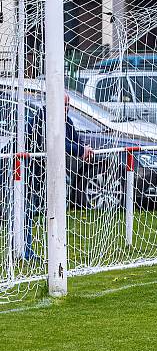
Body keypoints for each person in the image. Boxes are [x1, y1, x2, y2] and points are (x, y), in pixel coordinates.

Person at [22, 93, 93, 260]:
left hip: (42, 172)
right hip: (22, 167)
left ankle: (44, 249)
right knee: (23, 209)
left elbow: (74, 139)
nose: (66, 109)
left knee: (36, 208)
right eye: (63, 104)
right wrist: (80, 151)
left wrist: (84, 148)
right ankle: (24, 251)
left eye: (68, 105)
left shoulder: (66, 120)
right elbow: (54, 141)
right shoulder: (43, 117)